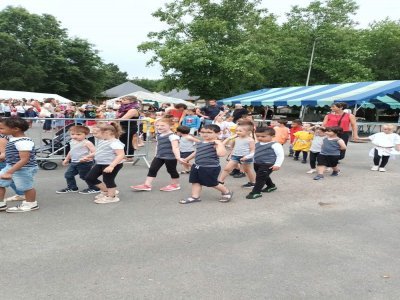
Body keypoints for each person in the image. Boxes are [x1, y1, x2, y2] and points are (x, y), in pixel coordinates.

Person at [179, 124, 233, 204]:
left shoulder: (216, 143)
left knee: (212, 183)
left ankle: (226, 192)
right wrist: (186, 159)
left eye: (209, 132)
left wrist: (220, 144)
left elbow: (222, 154)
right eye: (203, 132)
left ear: (218, 133)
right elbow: (196, 152)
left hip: (210, 167)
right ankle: (195, 197)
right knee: (195, 181)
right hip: (197, 166)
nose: (205, 134)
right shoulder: (200, 142)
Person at [131, 118, 183, 192]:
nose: (159, 127)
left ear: (170, 126)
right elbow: (158, 145)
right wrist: (156, 154)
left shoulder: (173, 136)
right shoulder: (159, 134)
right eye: (158, 125)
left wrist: (178, 157)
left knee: (171, 170)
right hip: (159, 156)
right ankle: (147, 185)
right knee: (152, 169)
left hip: (170, 157)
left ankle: (175, 185)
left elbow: (175, 147)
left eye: (162, 125)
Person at [0, 118, 39, 213]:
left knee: (26, 187)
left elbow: (24, 159)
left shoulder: (23, 142)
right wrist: (5, 155)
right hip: (11, 166)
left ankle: (31, 204)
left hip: (24, 168)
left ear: (16, 129)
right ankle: (1, 203)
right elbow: (15, 152)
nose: (0, 130)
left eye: (2, 128)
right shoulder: (14, 139)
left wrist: (9, 172)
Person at [83, 123, 125, 204]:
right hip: (101, 163)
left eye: (96, 133)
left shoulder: (115, 142)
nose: (94, 135)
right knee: (89, 178)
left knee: (108, 180)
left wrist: (111, 166)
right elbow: (100, 151)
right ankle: (106, 191)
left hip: (112, 164)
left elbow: (121, 155)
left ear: (107, 132)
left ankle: (112, 197)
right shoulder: (103, 140)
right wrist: (90, 156)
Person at [56, 125, 100, 194]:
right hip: (74, 162)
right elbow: (71, 151)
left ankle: (95, 188)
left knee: (85, 176)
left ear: (85, 134)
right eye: (72, 134)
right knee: (68, 175)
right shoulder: (72, 141)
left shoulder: (87, 143)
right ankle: (72, 187)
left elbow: (95, 152)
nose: (75, 136)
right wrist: (67, 159)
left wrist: (88, 157)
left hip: (85, 163)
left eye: (78, 134)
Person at [245, 127, 284, 199]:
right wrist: (247, 157)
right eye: (258, 136)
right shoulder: (257, 144)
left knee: (260, 178)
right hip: (257, 163)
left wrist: (277, 165)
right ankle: (271, 186)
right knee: (263, 176)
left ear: (272, 136)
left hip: (268, 164)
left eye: (263, 136)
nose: (260, 138)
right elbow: (254, 152)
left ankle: (256, 192)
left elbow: (280, 155)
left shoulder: (275, 145)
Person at [218, 124, 256, 189]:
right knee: (227, 168)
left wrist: (247, 157)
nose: (237, 132)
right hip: (235, 156)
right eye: (237, 131)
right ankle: (220, 181)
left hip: (245, 157)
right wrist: (231, 154)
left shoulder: (250, 140)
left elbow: (253, 151)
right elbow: (233, 147)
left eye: (240, 131)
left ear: (248, 132)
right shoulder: (236, 138)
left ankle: (252, 183)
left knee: (247, 170)